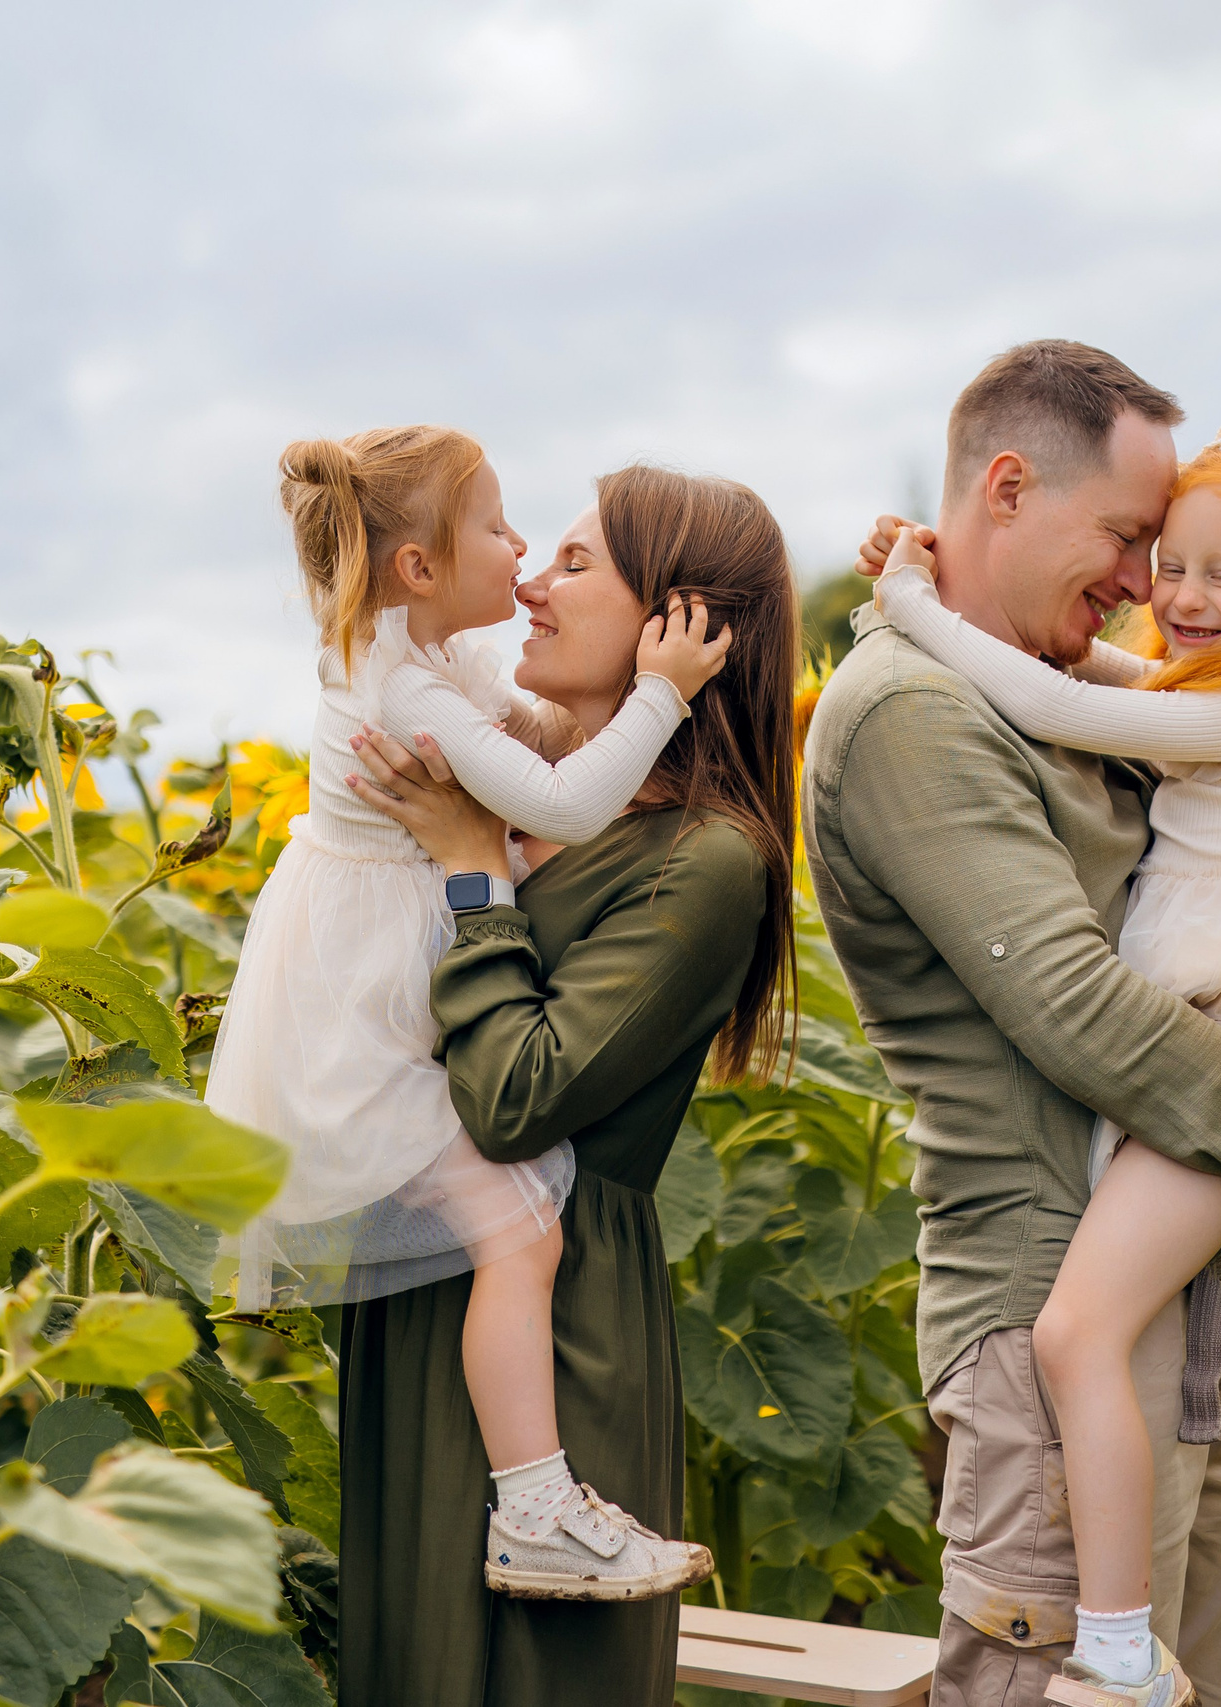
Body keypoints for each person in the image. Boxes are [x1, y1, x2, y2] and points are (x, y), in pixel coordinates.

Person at [803, 341, 1221, 1707]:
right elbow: (1076, 1007)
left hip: (1193, 1321)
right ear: (1008, 487)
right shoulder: (914, 710)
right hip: (1052, 1320)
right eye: (1132, 540)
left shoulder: (1066, 689)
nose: (1146, 586)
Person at [203, 427, 731, 1602]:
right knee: (518, 1231)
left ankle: (535, 1504)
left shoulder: (418, 655)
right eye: (496, 527)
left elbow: (535, 746)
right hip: (363, 1026)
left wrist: (596, 712)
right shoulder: (404, 688)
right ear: (420, 567)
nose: (521, 547)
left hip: (375, 995)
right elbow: (565, 804)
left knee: (513, 1229)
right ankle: (534, 1508)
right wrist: (660, 694)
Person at [332, 465, 801, 1707]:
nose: (531, 583)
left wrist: (474, 876)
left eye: (577, 564)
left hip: (563, 1306)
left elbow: (517, 1101)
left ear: (678, 622)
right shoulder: (513, 786)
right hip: (428, 1288)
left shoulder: (703, 860)